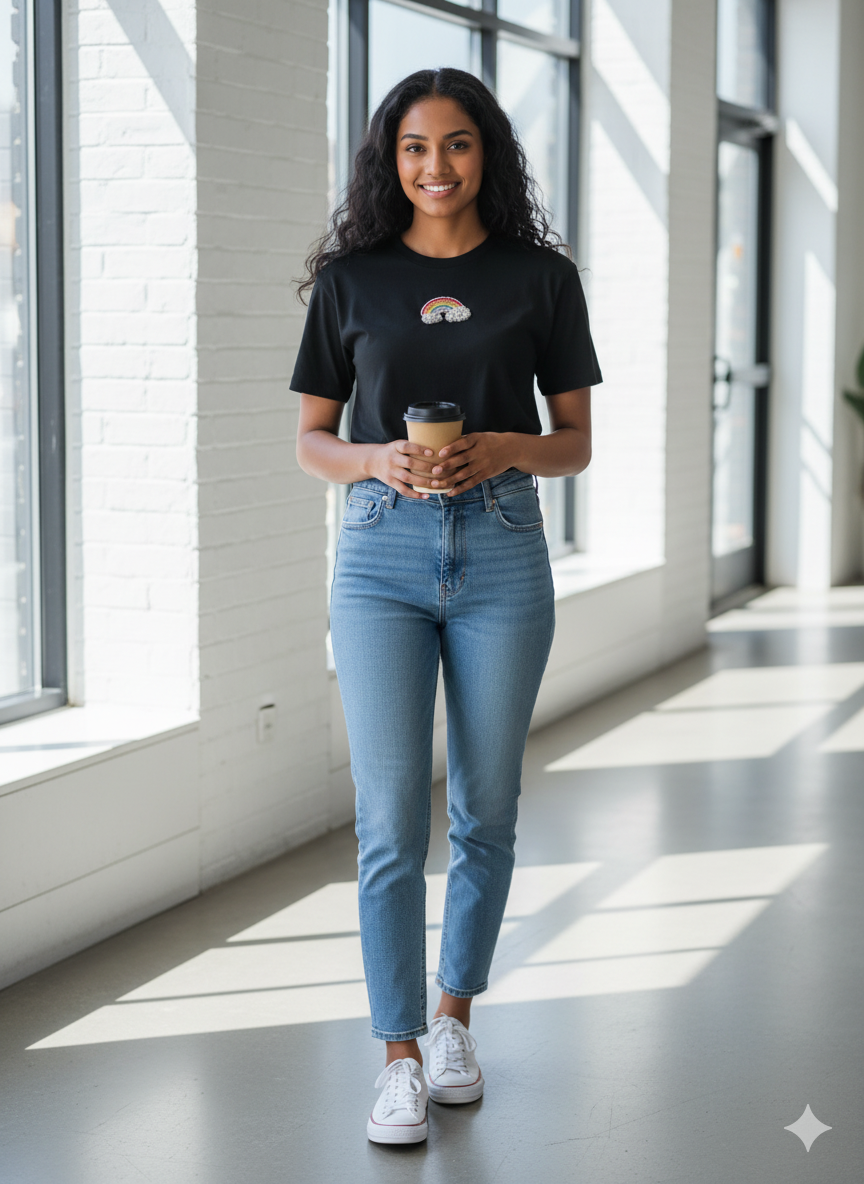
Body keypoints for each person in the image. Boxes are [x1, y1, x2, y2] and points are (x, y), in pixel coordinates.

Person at [292, 67, 601, 1145]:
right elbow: (311, 440)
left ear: (489, 153)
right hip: (379, 557)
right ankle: (398, 1056)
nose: (436, 167)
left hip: (505, 549)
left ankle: (456, 1019)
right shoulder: (351, 281)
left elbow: (575, 440)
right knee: (388, 824)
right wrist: (375, 459)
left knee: (486, 808)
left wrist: (502, 448)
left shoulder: (539, 278)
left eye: (458, 145)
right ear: (390, 158)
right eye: (415, 148)